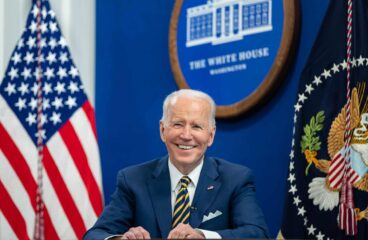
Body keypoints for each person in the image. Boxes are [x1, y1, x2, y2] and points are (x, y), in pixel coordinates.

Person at [83, 89, 269, 239]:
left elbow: (258, 234)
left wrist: (204, 237)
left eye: (196, 126)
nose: (186, 135)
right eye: (178, 124)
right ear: (163, 130)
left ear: (210, 135)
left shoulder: (236, 179)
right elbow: (94, 235)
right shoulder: (132, 180)